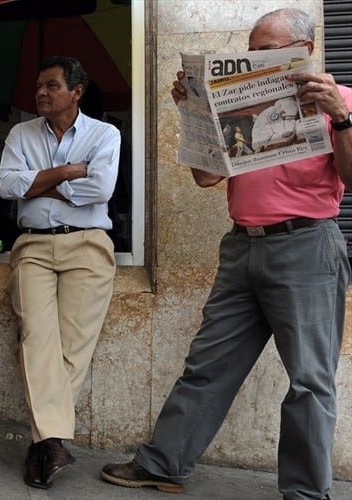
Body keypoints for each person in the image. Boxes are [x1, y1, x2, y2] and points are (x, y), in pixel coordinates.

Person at [101, 8, 352, 499]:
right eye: (251, 50)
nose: (255, 59)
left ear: (302, 50)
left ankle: (305, 493)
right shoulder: (237, 103)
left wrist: (342, 120)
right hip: (242, 247)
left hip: (305, 247)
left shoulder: (339, 101)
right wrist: (193, 111)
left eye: (267, 52)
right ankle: (164, 463)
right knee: (209, 363)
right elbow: (206, 178)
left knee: (309, 380)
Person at [0, 56, 120, 490]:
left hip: (88, 244)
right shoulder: (20, 133)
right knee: (36, 338)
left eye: (51, 85)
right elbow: (7, 186)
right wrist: (68, 173)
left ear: (76, 92)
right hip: (32, 245)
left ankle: (42, 444)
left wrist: (41, 182)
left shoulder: (106, 134)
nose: (41, 93)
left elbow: (101, 189)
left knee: (73, 347)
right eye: (38, 87)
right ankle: (52, 441)